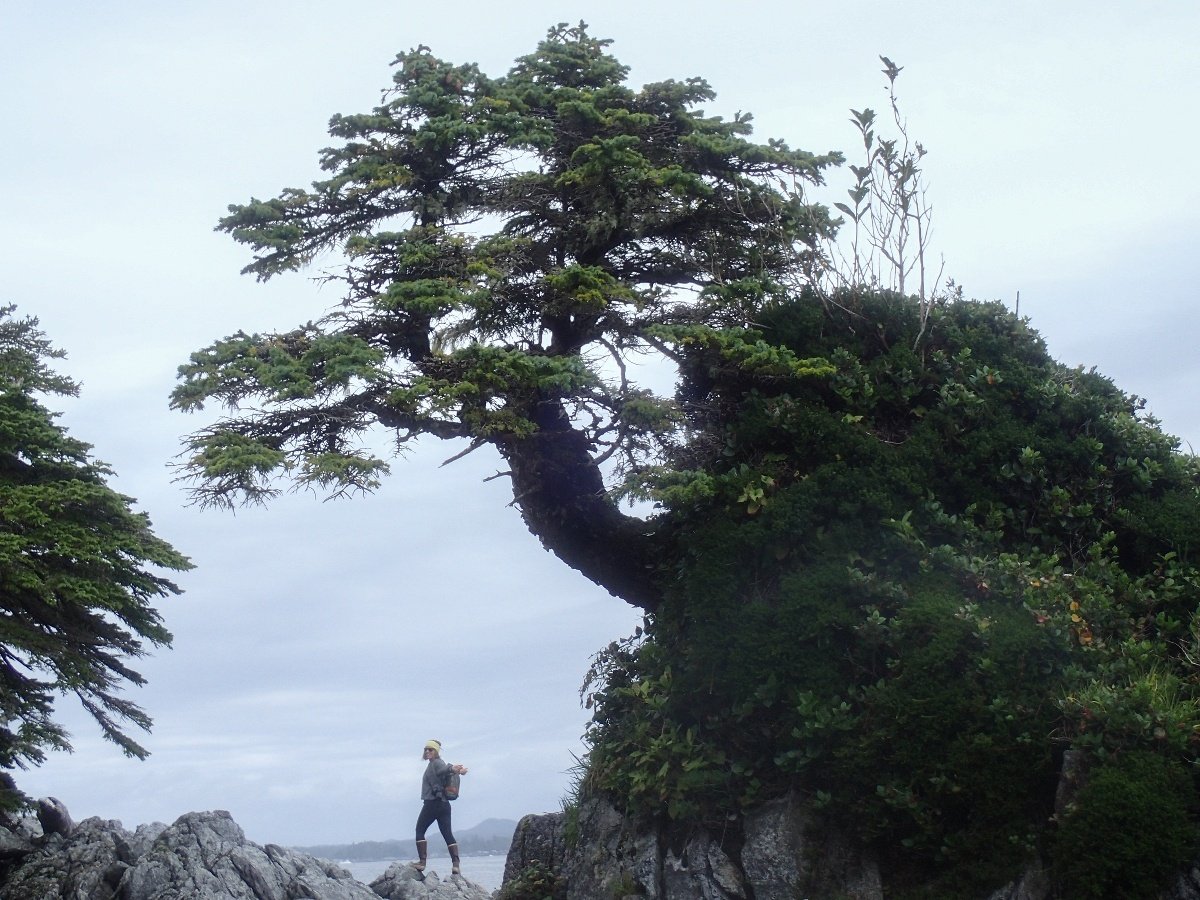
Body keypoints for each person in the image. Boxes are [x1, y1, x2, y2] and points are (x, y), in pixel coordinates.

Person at [413, 739, 468, 875]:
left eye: (430, 749)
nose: (427, 752)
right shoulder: (436, 764)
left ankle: (422, 862)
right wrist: (458, 771)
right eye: (426, 749)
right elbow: (446, 771)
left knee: (419, 830)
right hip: (444, 805)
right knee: (447, 834)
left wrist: (452, 768)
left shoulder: (436, 763)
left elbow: (443, 769)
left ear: (436, 751)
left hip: (432, 803)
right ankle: (456, 865)